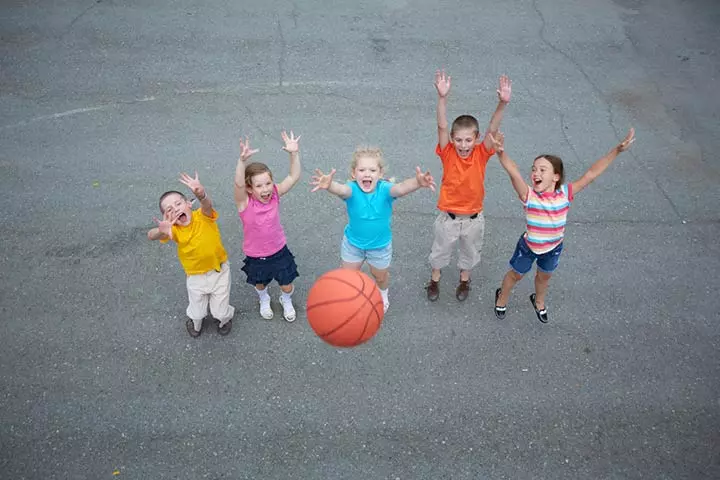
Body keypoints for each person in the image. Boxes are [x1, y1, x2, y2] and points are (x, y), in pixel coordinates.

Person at [489, 128, 636, 323]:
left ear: (556, 177)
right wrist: (501, 152)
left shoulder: (566, 193)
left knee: (544, 277)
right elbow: (514, 173)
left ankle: (539, 301)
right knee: (516, 275)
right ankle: (502, 296)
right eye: (534, 169)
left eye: (542, 170)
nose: (535, 173)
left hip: (554, 248)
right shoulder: (529, 196)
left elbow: (592, 173)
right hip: (529, 247)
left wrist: (616, 150)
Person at [311, 146, 436, 313]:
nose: (367, 174)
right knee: (349, 277)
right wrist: (330, 185)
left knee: (380, 276)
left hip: (379, 247)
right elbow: (341, 190)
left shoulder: (385, 189)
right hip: (353, 245)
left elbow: (400, 188)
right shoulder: (351, 189)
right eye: (362, 170)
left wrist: (417, 183)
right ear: (354, 174)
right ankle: (352, 297)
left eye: (372, 170)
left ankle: (383, 293)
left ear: (380, 174)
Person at [426, 70, 512, 302]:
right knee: (440, 253)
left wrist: (502, 103)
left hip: (474, 218)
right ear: (452, 140)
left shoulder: (482, 154)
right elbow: (442, 126)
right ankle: (435, 279)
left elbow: (492, 129)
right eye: (459, 140)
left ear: (476, 139)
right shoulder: (448, 153)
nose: (463, 145)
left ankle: (465, 280)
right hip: (449, 217)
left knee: (469, 253)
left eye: (468, 140)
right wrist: (442, 98)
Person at [147, 173, 235, 337]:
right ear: (166, 217)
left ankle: (224, 319)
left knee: (221, 312)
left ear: (189, 203)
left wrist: (202, 195)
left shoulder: (202, 216)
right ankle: (195, 323)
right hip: (195, 277)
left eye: (178, 203)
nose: (176, 209)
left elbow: (207, 205)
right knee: (196, 312)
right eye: (169, 210)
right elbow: (150, 236)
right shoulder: (173, 230)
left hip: (219, 271)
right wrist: (161, 229)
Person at [234, 131, 301, 322]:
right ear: (249, 188)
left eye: (268, 183)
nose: (266, 189)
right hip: (256, 255)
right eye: (259, 186)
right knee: (260, 283)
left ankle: (285, 299)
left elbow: (293, 176)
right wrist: (241, 162)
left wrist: (293, 153)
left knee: (287, 284)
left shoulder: (275, 194)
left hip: (279, 250)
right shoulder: (244, 203)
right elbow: (238, 184)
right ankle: (264, 298)